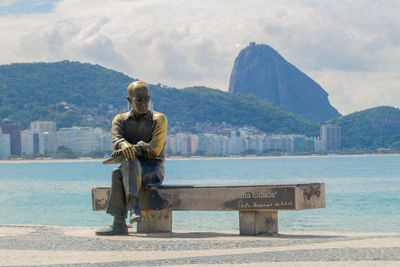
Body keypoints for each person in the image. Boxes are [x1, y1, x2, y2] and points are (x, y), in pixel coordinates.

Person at [95, 81, 167, 236]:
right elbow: (116, 140)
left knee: (125, 164)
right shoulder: (120, 120)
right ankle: (122, 220)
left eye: (146, 99)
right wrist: (122, 145)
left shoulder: (158, 119)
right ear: (129, 101)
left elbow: (154, 150)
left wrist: (133, 147)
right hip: (130, 170)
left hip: (153, 170)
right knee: (118, 172)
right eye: (138, 100)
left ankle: (123, 217)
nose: (143, 103)